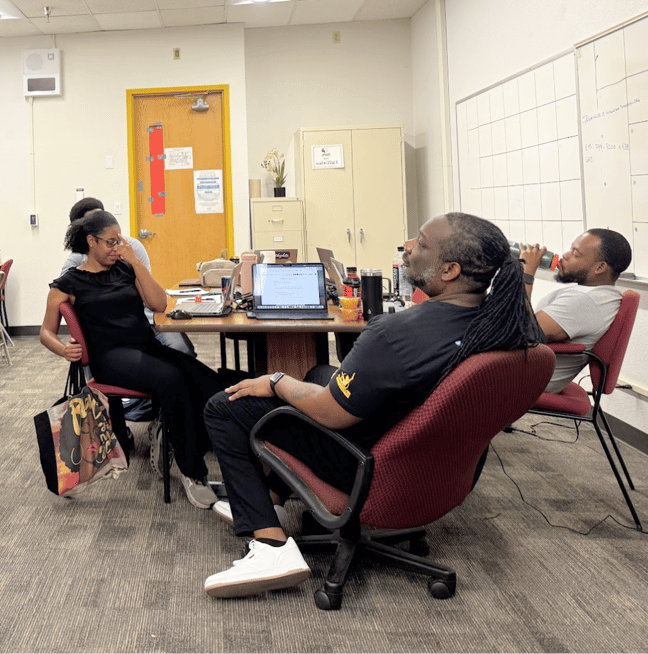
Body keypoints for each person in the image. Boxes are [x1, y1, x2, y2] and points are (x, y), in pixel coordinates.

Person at [202, 212, 543, 598]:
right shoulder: (509, 326)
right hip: (434, 464)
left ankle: (270, 546)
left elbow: (330, 413)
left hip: (367, 465)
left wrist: (276, 381)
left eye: (421, 242)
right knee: (319, 373)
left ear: (450, 270)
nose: (408, 247)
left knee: (225, 405)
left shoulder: (395, 334)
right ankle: (273, 499)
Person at [40, 210, 225, 509]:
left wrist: (136, 262)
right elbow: (45, 332)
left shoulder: (126, 269)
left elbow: (159, 304)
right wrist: (63, 349)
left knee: (208, 382)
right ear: (91, 241)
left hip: (145, 346)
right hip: (110, 358)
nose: (116, 248)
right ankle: (191, 471)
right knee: (172, 381)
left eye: (119, 241)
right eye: (110, 242)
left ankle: (194, 442)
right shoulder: (68, 284)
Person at [59, 197, 196, 358]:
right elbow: (67, 301)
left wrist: (134, 261)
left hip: (147, 319)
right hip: (110, 333)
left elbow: (153, 297)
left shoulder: (131, 248)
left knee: (182, 352)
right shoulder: (75, 263)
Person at [519, 229, 631, 393]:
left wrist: (527, 274)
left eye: (575, 254)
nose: (565, 255)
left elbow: (524, 332)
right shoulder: (597, 294)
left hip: (522, 379)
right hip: (523, 367)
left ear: (600, 267)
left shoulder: (586, 300)